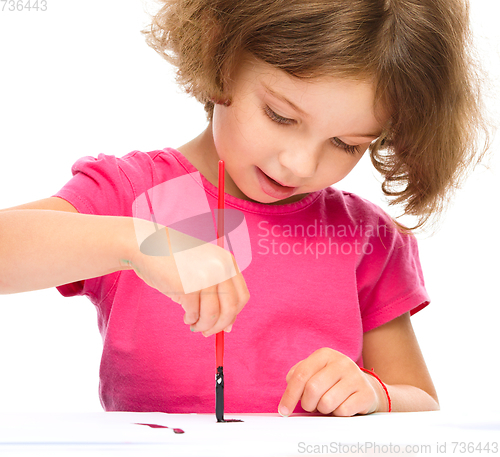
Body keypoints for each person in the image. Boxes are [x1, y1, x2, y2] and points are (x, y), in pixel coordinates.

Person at [0, 0, 489, 416]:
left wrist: (377, 395)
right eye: (281, 116)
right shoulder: (133, 195)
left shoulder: (364, 236)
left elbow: (421, 401)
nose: (300, 164)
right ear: (221, 55)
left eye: (346, 144)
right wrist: (133, 242)